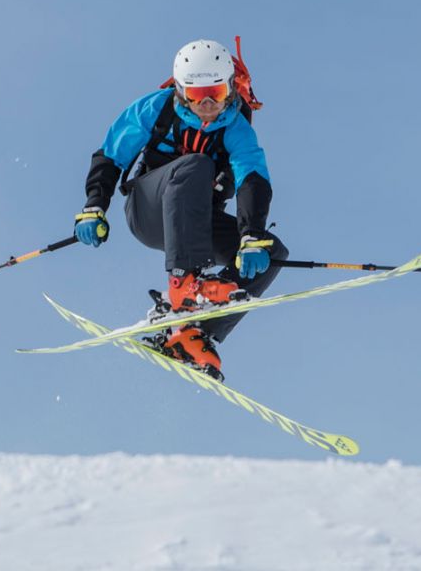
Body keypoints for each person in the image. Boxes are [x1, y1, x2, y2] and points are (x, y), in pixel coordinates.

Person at [73, 38, 287, 382]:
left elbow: (252, 179)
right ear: (180, 90)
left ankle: (190, 333)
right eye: (196, 95)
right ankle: (183, 283)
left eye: (215, 93)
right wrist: (94, 206)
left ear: (230, 88)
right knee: (196, 165)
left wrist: (251, 236)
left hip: (194, 227)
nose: (206, 106)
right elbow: (111, 155)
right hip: (149, 211)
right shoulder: (156, 108)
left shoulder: (236, 127)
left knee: (271, 251)